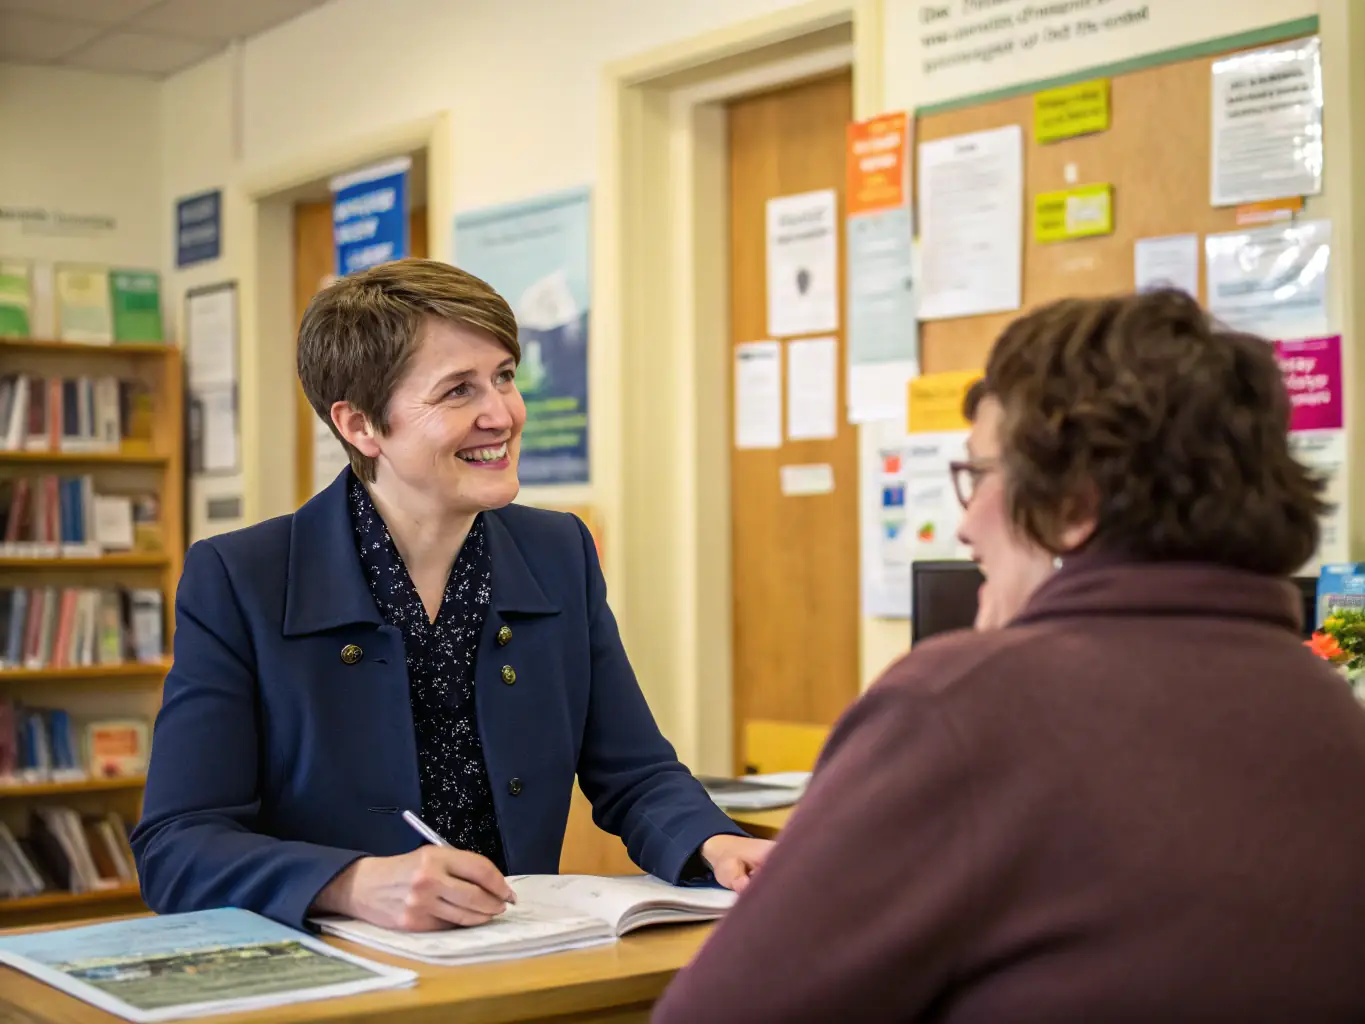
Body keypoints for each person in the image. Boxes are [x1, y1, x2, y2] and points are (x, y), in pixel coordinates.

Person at [653, 289, 1365, 1021]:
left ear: (1075, 502)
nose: (963, 525)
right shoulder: (1328, 710)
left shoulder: (962, 705)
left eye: (978, 478)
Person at [132, 258, 770, 933]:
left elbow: (636, 774)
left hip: (514, 962)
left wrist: (713, 843)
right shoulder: (241, 578)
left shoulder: (557, 553)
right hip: (334, 981)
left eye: (503, 377)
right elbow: (176, 847)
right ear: (360, 426)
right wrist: (348, 884)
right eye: (458, 391)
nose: (502, 414)